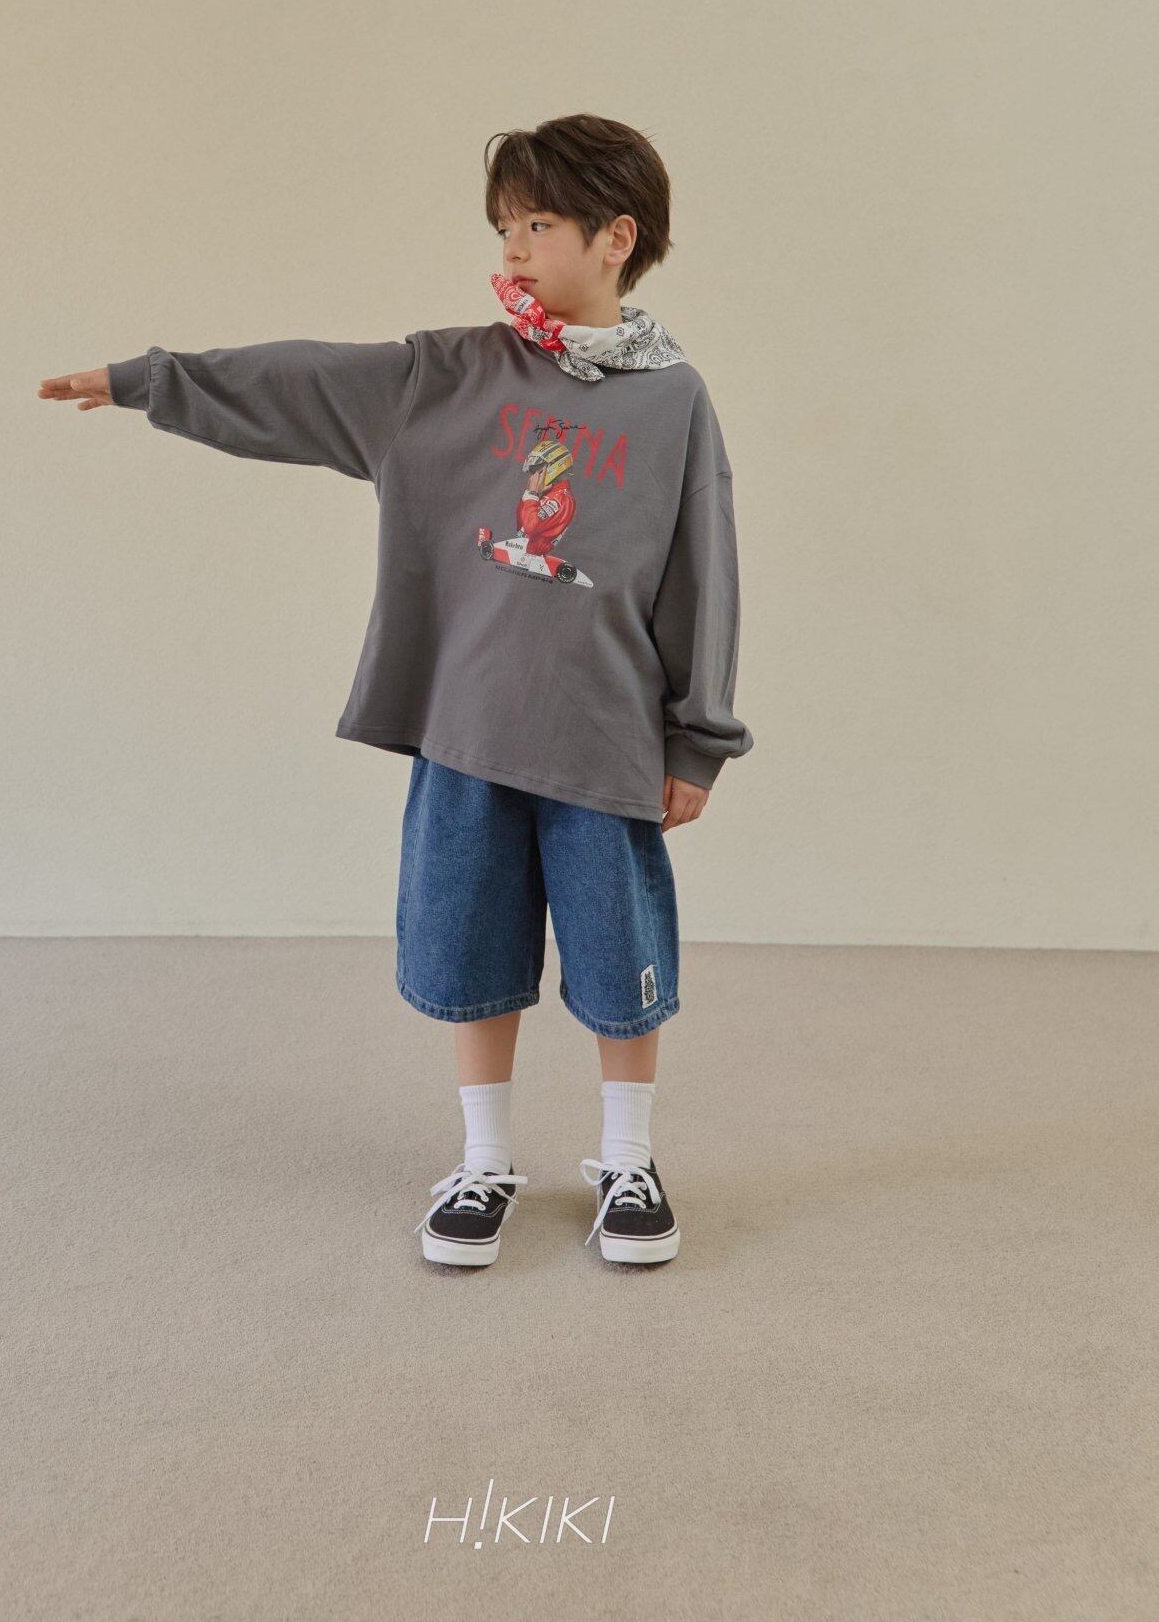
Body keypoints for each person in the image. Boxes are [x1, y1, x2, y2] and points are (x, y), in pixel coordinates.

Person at [37, 112, 754, 1272]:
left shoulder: (671, 401)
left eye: (538, 224)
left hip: (603, 740)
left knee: (621, 958)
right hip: (465, 731)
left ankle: (629, 1158)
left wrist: (695, 742)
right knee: (469, 949)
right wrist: (145, 382)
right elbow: (300, 380)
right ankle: (483, 1162)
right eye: (503, 225)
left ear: (615, 238)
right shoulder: (448, 374)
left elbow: (701, 576)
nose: (510, 247)